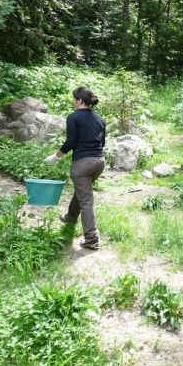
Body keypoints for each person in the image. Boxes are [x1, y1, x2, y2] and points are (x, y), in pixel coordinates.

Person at [45, 87, 106, 250]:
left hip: (82, 164)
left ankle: (92, 238)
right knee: (82, 191)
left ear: (79, 101)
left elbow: (70, 141)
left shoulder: (74, 117)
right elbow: (102, 142)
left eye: (74, 99)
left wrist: (55, 156)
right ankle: (71, 216)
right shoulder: (99, 118)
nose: (73, 101)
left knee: (86, 199)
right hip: (99, 162)